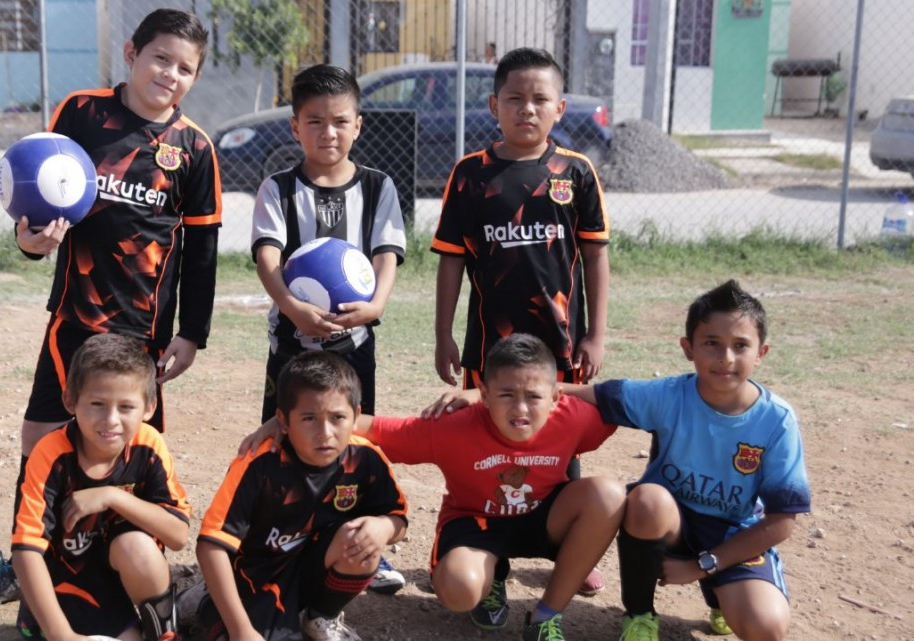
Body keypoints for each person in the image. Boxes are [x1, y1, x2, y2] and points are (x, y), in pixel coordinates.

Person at [0, 8, 220, 612]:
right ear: (131, 53)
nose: (170, 75)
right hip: (73, 321)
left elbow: (203, 248)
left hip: (142, 335)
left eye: (185, 68)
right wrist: (29, 244)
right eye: (160, 58)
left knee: (128, 445)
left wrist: (193, 332)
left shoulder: (195, 148)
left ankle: (132, 566)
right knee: (42, 437)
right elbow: (38, 202)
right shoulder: (81, 112)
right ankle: (28, 560)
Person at [243, 334, 625, 640]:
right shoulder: (453, 426)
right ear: (485, 394)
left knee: (607, 494)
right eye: (506, 394)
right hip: (477, 525)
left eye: (534, 396)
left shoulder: (573, 417)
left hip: (545, 517)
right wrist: (290, 423)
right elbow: (377, 429)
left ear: (556, 397)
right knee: (460, 590)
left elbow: (625, 398)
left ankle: (545, 616)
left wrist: (557, 385)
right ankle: (490, 578)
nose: (520, 409)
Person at [430, 46, 610, 595]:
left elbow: (596, 254)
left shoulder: (575, 172)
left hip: (558, 344)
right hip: (491, 346)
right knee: (490, 438)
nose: (527, 109)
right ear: (493, 105)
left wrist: (595, 333)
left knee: (562, 440)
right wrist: (443, 334)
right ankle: (489, 552)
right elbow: (451, 260)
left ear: (560, 107)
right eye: (515, 98)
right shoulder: (469, 175)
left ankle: (566, 549)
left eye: (540, 99)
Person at [563, 280, 812, 641]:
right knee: (646, 499)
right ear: (688, 348)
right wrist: (485, 394)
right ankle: (640, 616)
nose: (725, 358)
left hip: (732, 532)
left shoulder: (777, 420)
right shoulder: (669, 395)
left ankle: (721, 598)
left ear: (761, 352)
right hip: (671, 521)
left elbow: (780, 523)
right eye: (711, 343)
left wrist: (699, 567)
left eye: (740, 345)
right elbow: (587, 395)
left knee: (766, 628)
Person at [250, 63, 408, 593]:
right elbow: (268, 257)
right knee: (285, 435)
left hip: (354, 345)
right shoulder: (277, 188)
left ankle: (362, 541)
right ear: (295, 126)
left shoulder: (380, 186)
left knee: (353, 438)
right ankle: (274, 536)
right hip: (293, 346)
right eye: (314, 121)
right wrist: (291, 305)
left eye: (340, 121)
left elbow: (386, 254)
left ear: (358, 124)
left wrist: (376, 305)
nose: (328, 132)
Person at [193, 351, 409, 641]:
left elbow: (398, 519)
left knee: (363, 541)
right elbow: (211, 546)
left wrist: (383, 527)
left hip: (313, 569)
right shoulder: (260, 463)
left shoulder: (366, 458)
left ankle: (320, 616)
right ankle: (207, 598)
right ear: (283, 420)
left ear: (356, 416)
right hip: (257, 576)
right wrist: (240, 630)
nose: (325, 432)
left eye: (337, 418)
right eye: (309, 418)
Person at [11, 333, 191, 641]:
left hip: (119, 574)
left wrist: (111, 497)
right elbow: (26, 550)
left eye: (125, 407)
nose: (111, 420)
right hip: (65, 581)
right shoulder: (50, 453)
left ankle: (164, 633)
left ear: (148, 408)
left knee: (138, 548)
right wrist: (62, 635)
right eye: (97, 404)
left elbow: (177, 535)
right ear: (70, 400)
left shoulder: (148, 444)